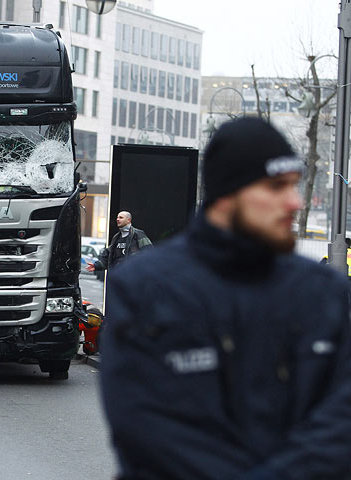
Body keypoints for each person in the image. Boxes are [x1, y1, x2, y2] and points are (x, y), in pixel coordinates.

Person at [101, 117, 351, 479]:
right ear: (228, 196)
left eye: (294, 186)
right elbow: (145, 428)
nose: (295, 202)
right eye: (277, 186)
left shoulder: (322, 291)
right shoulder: (145, 289)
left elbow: (340, 422)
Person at [86, 211, 152, 274]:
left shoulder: (138, 234)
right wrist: (96, 266)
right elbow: (108, 255)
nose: (117, 219)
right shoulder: (116, 237)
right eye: (117, 217)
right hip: (118, 277)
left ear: (128, 220)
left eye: (121, 217)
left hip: (132, 277)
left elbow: (149, 252)